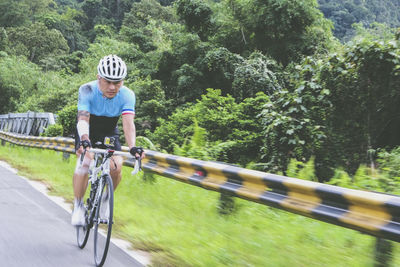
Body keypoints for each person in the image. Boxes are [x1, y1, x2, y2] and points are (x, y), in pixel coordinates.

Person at [71, 54, 144, 226]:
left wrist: (132, 147)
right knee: (85, 161)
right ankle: (78, 206)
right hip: (87, 130)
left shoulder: (127, 95)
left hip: (109, 131)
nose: (112, 87)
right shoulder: (87, 90)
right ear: (99, 78)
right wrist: (85, 141)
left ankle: (104, 199)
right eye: (107, 81)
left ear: (123, 81)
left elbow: (128, 123)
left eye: (117, 82)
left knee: (117, 167)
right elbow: (83, 119)